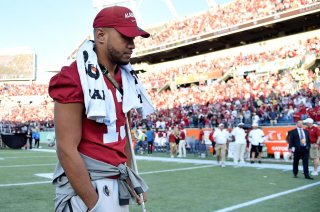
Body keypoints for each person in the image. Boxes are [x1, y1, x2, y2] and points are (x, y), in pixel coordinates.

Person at [48, 6, 154, 212]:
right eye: (125, 37)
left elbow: (124, 137)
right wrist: (94, 204)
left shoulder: (127, 80)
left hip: (118, 182)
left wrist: (130, 175)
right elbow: (66, 149)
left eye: (134, 38)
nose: (132, 45)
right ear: (101, 35)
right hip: (90, 186)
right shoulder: (73, 77)